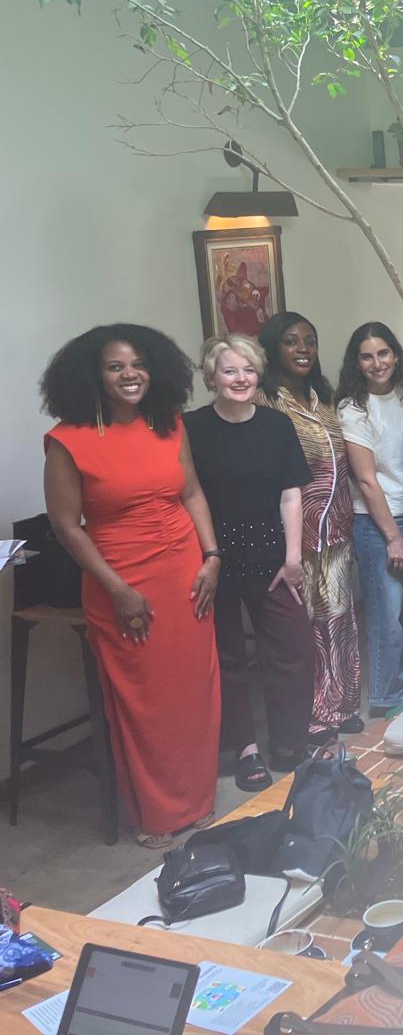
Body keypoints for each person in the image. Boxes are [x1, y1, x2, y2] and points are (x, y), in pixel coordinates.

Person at [41, 324, 221, 848]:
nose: (130, 375)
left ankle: (196, 800)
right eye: (115, 366)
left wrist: (211, 557)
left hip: (187, 574)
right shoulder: (67, 440)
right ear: (93, 376)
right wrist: (117, 590)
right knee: (144, 701)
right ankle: (155, 813)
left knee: (195, 691)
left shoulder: (167, 425)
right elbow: (65, 525)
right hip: (121, 579)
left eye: (138, 364)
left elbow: (191, 493)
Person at [187, 335, 315, 793]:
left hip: (271, 557)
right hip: (215, 558)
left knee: (294, 646)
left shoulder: (277, 426)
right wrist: (207, 556)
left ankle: (288, 739)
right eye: (229, 371)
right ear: (212, 377)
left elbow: (291, 493)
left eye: (248, 370)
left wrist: (294, 557)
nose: (240, 379)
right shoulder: (191, 428)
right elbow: (187, 495)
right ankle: (244, 748)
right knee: (228, 658)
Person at [261, 311, 361, 739]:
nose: (303, 349)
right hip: (295, 536)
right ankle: (312, 713)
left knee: (338, 620)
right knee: (303, 631)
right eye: (291, 341)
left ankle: (341, 705)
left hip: (336, 529)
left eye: (310, 341)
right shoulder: (264, 403)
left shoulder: (325, 399)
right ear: (273, 349)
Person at [336, 321, 403, 717]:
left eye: (383, 353)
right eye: (367, 356)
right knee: (387, 620)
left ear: (396, 355)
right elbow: (366, 482)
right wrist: (393, 538)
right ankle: (387, 697)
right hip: (379, 525)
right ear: (357, 362)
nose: (377, 362)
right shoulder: (353, 409)